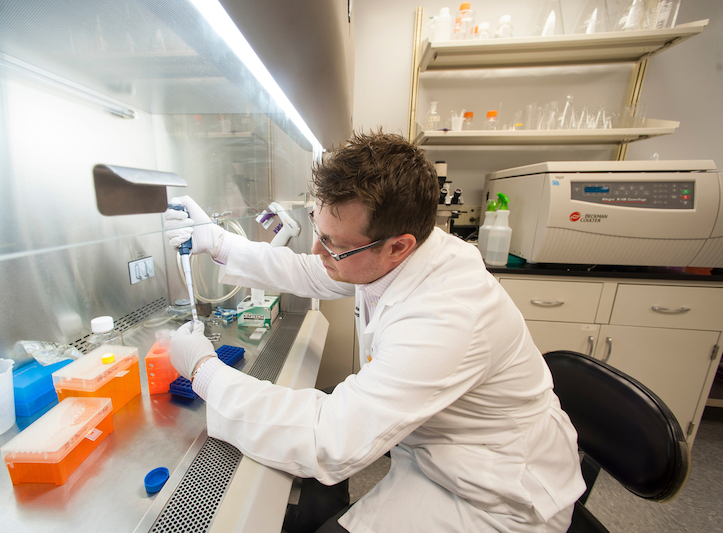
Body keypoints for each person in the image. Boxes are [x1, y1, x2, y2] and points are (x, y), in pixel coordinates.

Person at [164, 131, 585, 533]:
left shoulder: (447, 313)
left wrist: (204, 370)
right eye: (317, 225)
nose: (317, 249)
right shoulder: (395, 253)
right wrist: (218, 243)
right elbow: (314, 271)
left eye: (333, 243)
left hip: (495, 495)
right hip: (438, 454)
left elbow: (330, 438)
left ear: (398, 246)